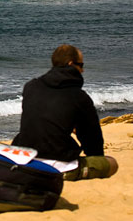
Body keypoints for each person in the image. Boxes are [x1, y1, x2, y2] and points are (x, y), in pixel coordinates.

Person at [11, 44, 118, 180]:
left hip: (25, 160)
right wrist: (97, 159)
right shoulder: (78, 96)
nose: (83, 70)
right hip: (57, 166)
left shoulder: (31, 86)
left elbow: (41, 117)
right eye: (81, 65)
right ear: (71, 64)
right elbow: (91, 138)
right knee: (111, 164)